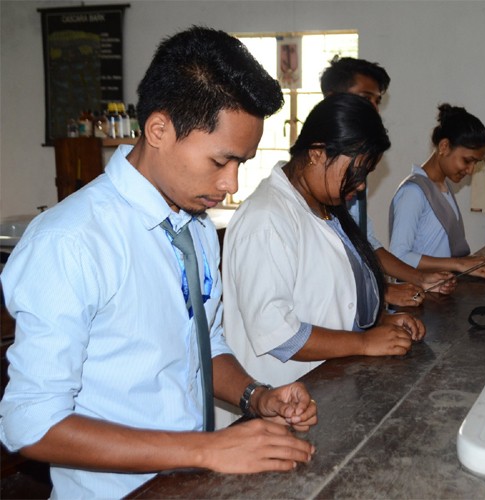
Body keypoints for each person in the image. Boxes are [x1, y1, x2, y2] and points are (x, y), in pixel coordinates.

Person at [0, 27, 317, 499]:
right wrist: (203, 449)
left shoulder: (196, 226)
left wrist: (256, 396)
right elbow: (31, 425)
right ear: (159, 130)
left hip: (189, 483)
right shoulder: (71, 242)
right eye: (220, 161)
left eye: (242, 163)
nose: (231, 183)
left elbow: (202, 347)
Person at [219, 94, 426, 423]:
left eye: (366, 175)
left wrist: (379, 324)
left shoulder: (326, 209)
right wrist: (363, 342)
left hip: (323, 390)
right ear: (317, 153)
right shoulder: (267, 218)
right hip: (280, 403)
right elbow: (277, 333)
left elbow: (329, 300)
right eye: (356, 172)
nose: (359, 186)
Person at [320, 56, 456, 306]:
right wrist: (382, 294)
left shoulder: (354, 172)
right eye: (365, 97)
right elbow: (320, 272)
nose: (373, 108)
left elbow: (366, 243)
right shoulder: (315, 177)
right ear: (331, 100)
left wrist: (420, 278)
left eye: (377, 100)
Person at [389, 104, 485, 277]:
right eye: (467, 160)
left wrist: (479, 263)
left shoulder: (444, 188)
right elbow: (399, 256)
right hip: (416, 296)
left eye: (475, 163)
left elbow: (443, 251)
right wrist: (459, 264)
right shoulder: (413, 192)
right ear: (444, 146)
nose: (470, 170)